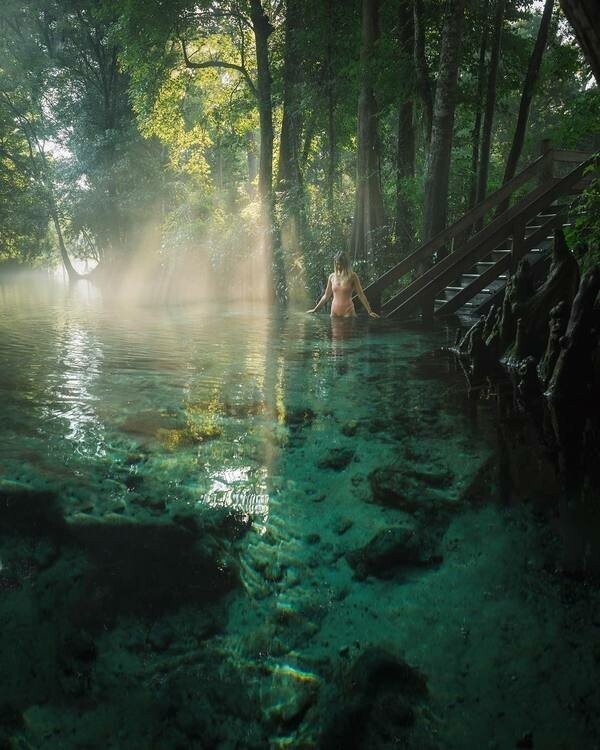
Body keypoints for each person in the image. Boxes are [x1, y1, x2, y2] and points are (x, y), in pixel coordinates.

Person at [306, 252, 380, 318]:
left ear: (345, 264)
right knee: (335, 334)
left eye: (341, 264)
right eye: (337, 264)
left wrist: (369, 311)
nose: (338, 267)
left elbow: (361, 295)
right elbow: (326, 296)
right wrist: (315, 310)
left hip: (348, 312)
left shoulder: (352, 276)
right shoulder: (332, 276)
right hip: (334, 313)